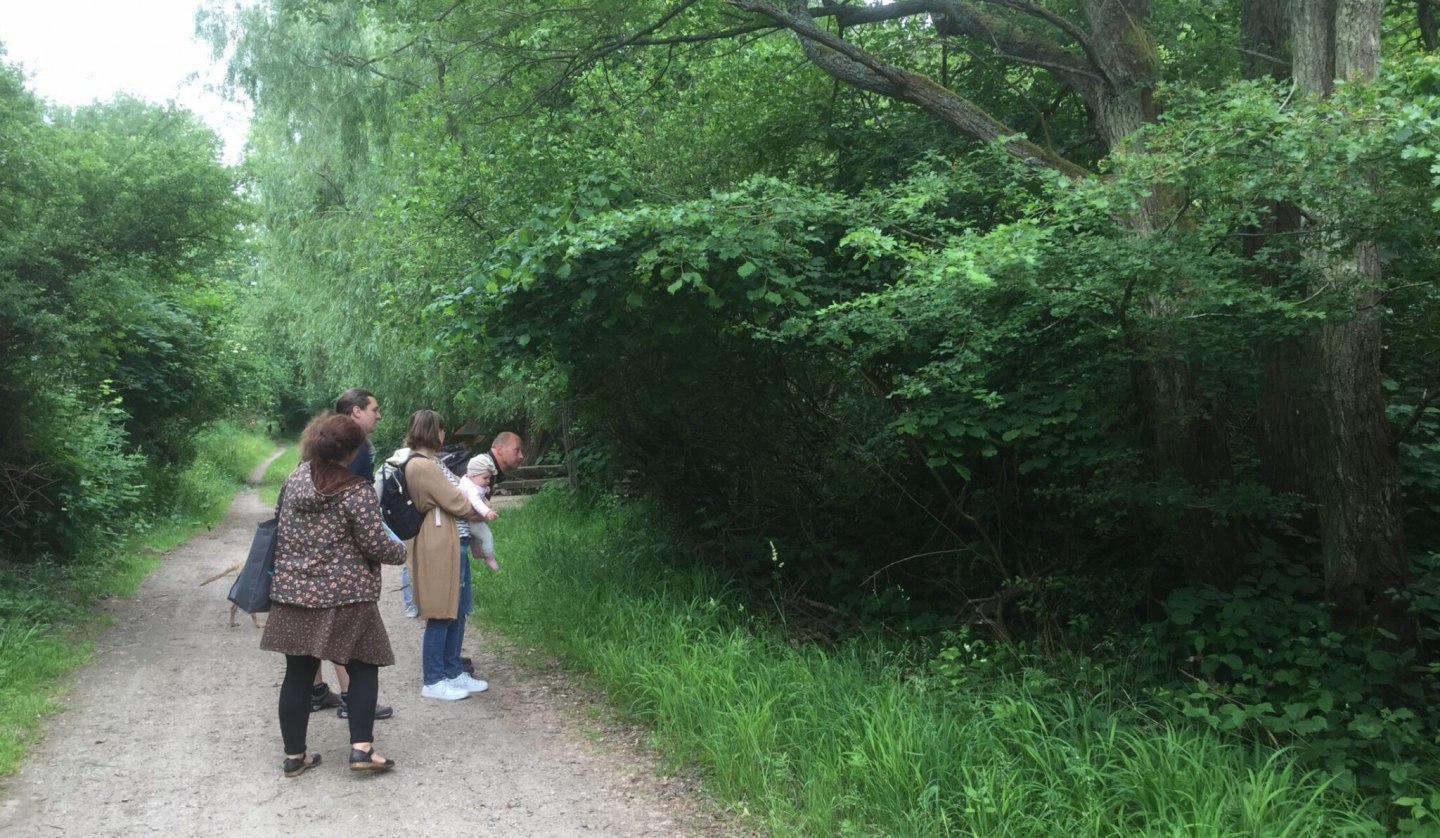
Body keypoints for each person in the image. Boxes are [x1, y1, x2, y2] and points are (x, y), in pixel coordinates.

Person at [261, 412, 407, 777]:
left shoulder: (294, 480)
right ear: (353, 450)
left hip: (294, 593)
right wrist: (401, 551)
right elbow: (377, 545)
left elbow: (280, 523)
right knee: (362, 666)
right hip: (346, 597)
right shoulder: (356, 492)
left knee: (297, 673)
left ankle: (295, 757)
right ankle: (361, 750)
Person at [309, 388, 393, 721]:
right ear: (356, 412)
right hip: (338, 548)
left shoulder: (320, 439)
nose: (379, 414)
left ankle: (315, 691)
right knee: (343, 621)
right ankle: (350, 698)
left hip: (310, 547)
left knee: (312, 620)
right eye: (375, 408)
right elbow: (343, 496)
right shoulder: (353, 447)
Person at [401, 410, 490, 700]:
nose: (443, 435)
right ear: (431, 431)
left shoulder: (432, 462)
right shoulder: (422, 466)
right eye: (441, 429)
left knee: (457, 608)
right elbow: (455, 500)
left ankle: (452, 671)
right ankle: (434, 678)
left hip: (452, 538)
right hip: (438, 540)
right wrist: (478, 507)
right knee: (441, 610)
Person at [460, 458, 501, 572]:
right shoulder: (472, 489)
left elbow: (479, 489)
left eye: (489, 478)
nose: (488, 480)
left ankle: (477, 552)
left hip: (467, 519)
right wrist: (487, 512)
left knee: (475, 537)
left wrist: (484, 488)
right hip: (472, 519)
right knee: (487, 536)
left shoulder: (468, 480)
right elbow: (476, 502)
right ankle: (489, 557)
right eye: (485, 478)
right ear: (472, 475)